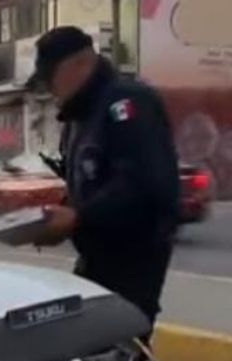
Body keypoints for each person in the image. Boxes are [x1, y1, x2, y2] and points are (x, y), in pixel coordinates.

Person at [28, 27, 180, 328]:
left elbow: (146, 185)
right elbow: (86, 183)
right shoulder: (80, 118)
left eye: (51, 77)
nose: (49, 88)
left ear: (80, 64)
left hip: (133, 260)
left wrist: (77, 217)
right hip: (95, 259)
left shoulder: (127, 102)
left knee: (118, 353)